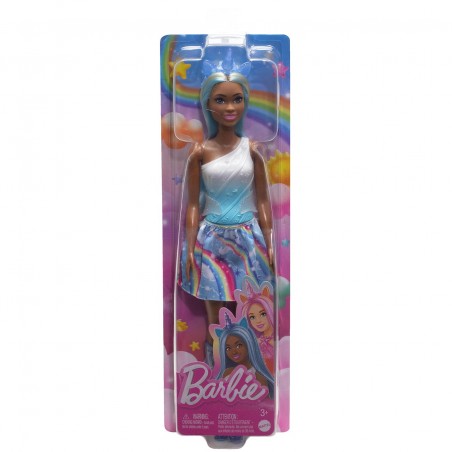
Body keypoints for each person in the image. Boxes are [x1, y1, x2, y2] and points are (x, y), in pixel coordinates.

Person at [178, 58, 274, 367]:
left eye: (237, 99)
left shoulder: (253, 150)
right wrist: (189, 246)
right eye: (221, 100)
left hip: (248, 241)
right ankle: (216, 372)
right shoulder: (199, 153)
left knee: (247, 310)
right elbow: (193, 204)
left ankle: (246, 372)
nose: (230, 107)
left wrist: (270, 240)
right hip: (211, 241)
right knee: (215, 317)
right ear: (208, 104)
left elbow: (263, 201)